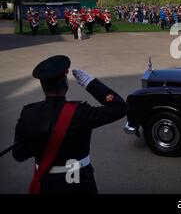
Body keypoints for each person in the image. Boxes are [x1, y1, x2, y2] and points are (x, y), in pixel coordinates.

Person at [12, 55, 128, 194]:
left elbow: (19, 154)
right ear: (65, 83)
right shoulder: (80, 113)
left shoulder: (28, 112)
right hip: (77, 182)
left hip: (44, 183)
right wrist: (90, 83)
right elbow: (119, 108)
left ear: (43, 85)